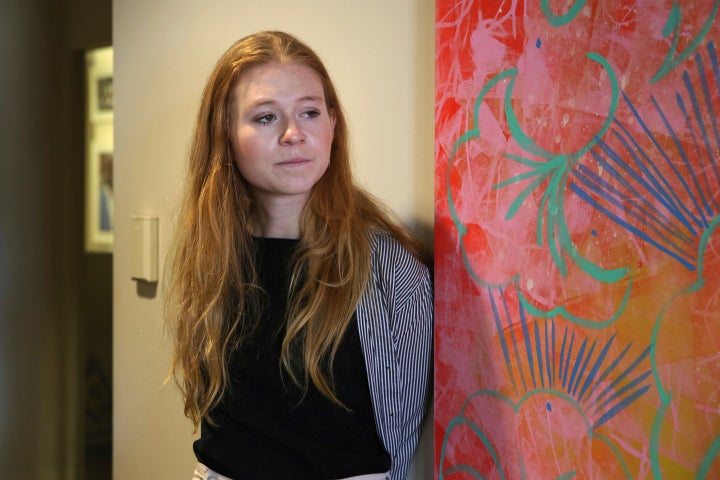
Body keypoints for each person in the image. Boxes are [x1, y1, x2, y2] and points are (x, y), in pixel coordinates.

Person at [164, 30, 433, 480]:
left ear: (332, 123)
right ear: (224, 135)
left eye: (310, 112)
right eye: (266, 117)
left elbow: (397, 436)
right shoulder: (213, 251)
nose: (294, 134)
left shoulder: (388, 269)